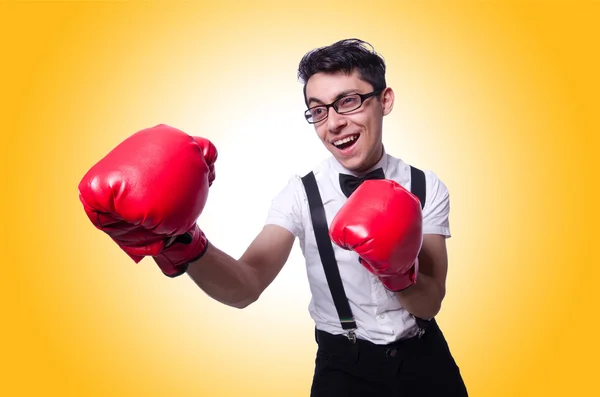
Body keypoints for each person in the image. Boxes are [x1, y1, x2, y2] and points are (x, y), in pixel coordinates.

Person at [78, 38, 468, 396]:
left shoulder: (425, 186)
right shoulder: (301, 194)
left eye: (348, 101)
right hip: (345, 369)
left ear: (384, 101)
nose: (333, 123)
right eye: (318, 110)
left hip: (425, 359)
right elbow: (246, 285)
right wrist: (180, 241)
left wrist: (397, 273)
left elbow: (430, 303)